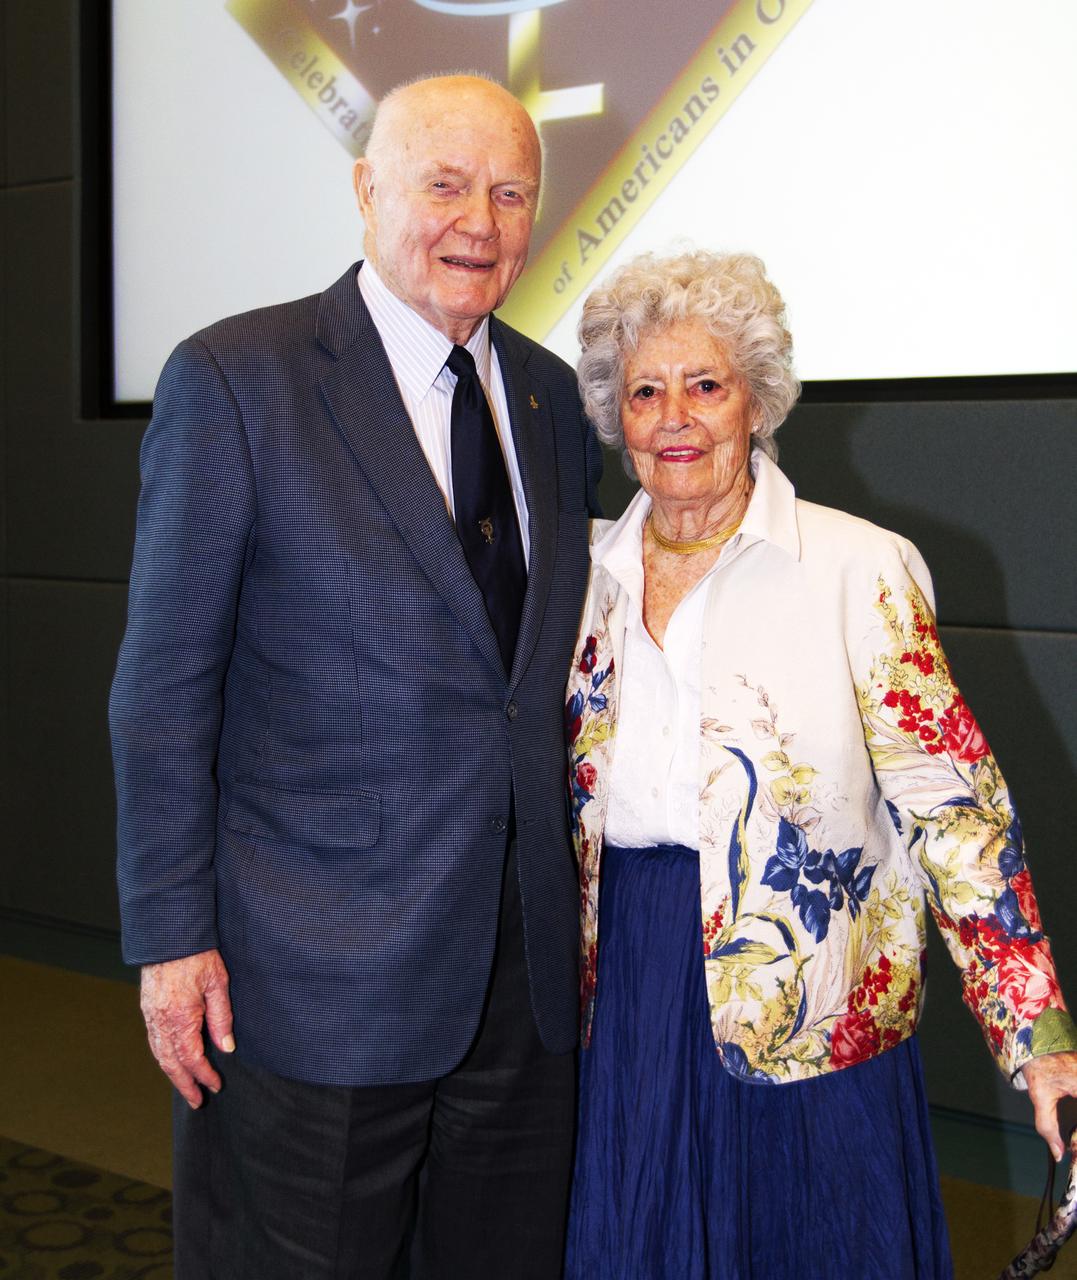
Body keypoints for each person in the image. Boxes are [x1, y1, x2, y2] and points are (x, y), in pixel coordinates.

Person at [109, 74, 602, 1280]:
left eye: (509, 192)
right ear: (364, 188)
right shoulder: (238, 378)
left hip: (520, 987)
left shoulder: (551, 399)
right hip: (314, 980)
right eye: (443, 184)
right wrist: (171, 939)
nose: (478, 222)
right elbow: (165, 682)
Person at [562, 248, 1077, 1279]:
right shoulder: (583, 578)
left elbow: (956, 812)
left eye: (705, 385)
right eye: (645, 391)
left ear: (758, 400)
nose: (674, 416)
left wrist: (1038, 1034)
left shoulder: (857, 566)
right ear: (615, 414)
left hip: (816, 1004)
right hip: (628, 991)